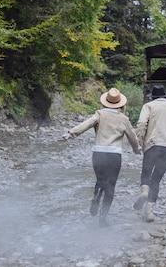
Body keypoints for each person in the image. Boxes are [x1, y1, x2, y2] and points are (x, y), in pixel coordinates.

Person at [62, 87, 141, 227]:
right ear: (121, 104)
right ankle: (103, 218)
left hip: (98, 153)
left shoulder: (100, 114)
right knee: (111, 186)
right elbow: (132, 137)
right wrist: (137, 149)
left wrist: (70, 134)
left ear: (105, 102)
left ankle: (96, 196)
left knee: (100, 180)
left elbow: (85, 124)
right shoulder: (123, 119)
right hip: (114, 155)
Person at [133, 84, 166, 222]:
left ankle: (144, 192)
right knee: (156, 178)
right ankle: (149, 212)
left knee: (146, 173)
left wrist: (139, 142)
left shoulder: (149, 106)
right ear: (165, 96)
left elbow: (142, 124)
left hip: (153, 144)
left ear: (153, 97)